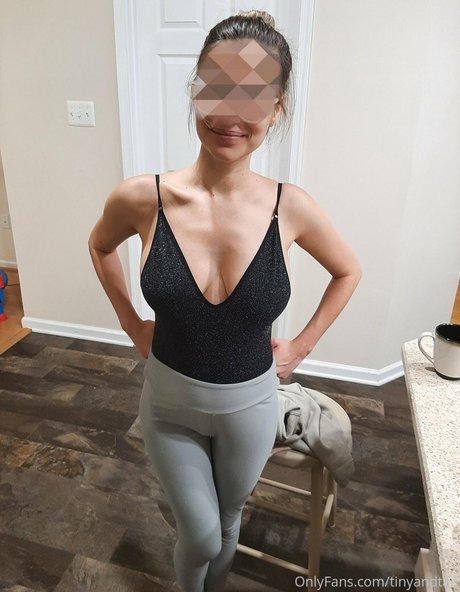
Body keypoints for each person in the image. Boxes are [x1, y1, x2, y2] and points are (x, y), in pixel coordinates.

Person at [88, 10, 361, 592]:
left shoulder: (292, 208)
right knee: (202, 534)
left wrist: (301, 347)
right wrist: (132, 325)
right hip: (169, 407)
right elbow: (99, 245)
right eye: (216, 87)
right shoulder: (142, 198)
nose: (230, 113)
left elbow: (348, 270)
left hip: (250, 408)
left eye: (253, 95)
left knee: (229, 520)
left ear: (276, 108)